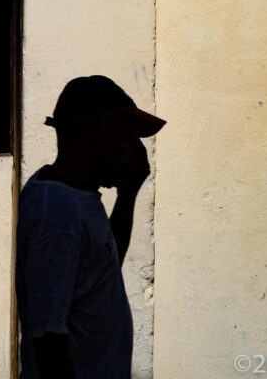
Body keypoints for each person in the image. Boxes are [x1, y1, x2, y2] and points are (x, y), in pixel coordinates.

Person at [16, 75, 166, 379]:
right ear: (96, 131)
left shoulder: (79, 195)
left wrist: (128, 194)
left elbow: (104, 268)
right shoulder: (58, 211)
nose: (134, 149)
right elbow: (48, 337)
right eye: (127, 135)